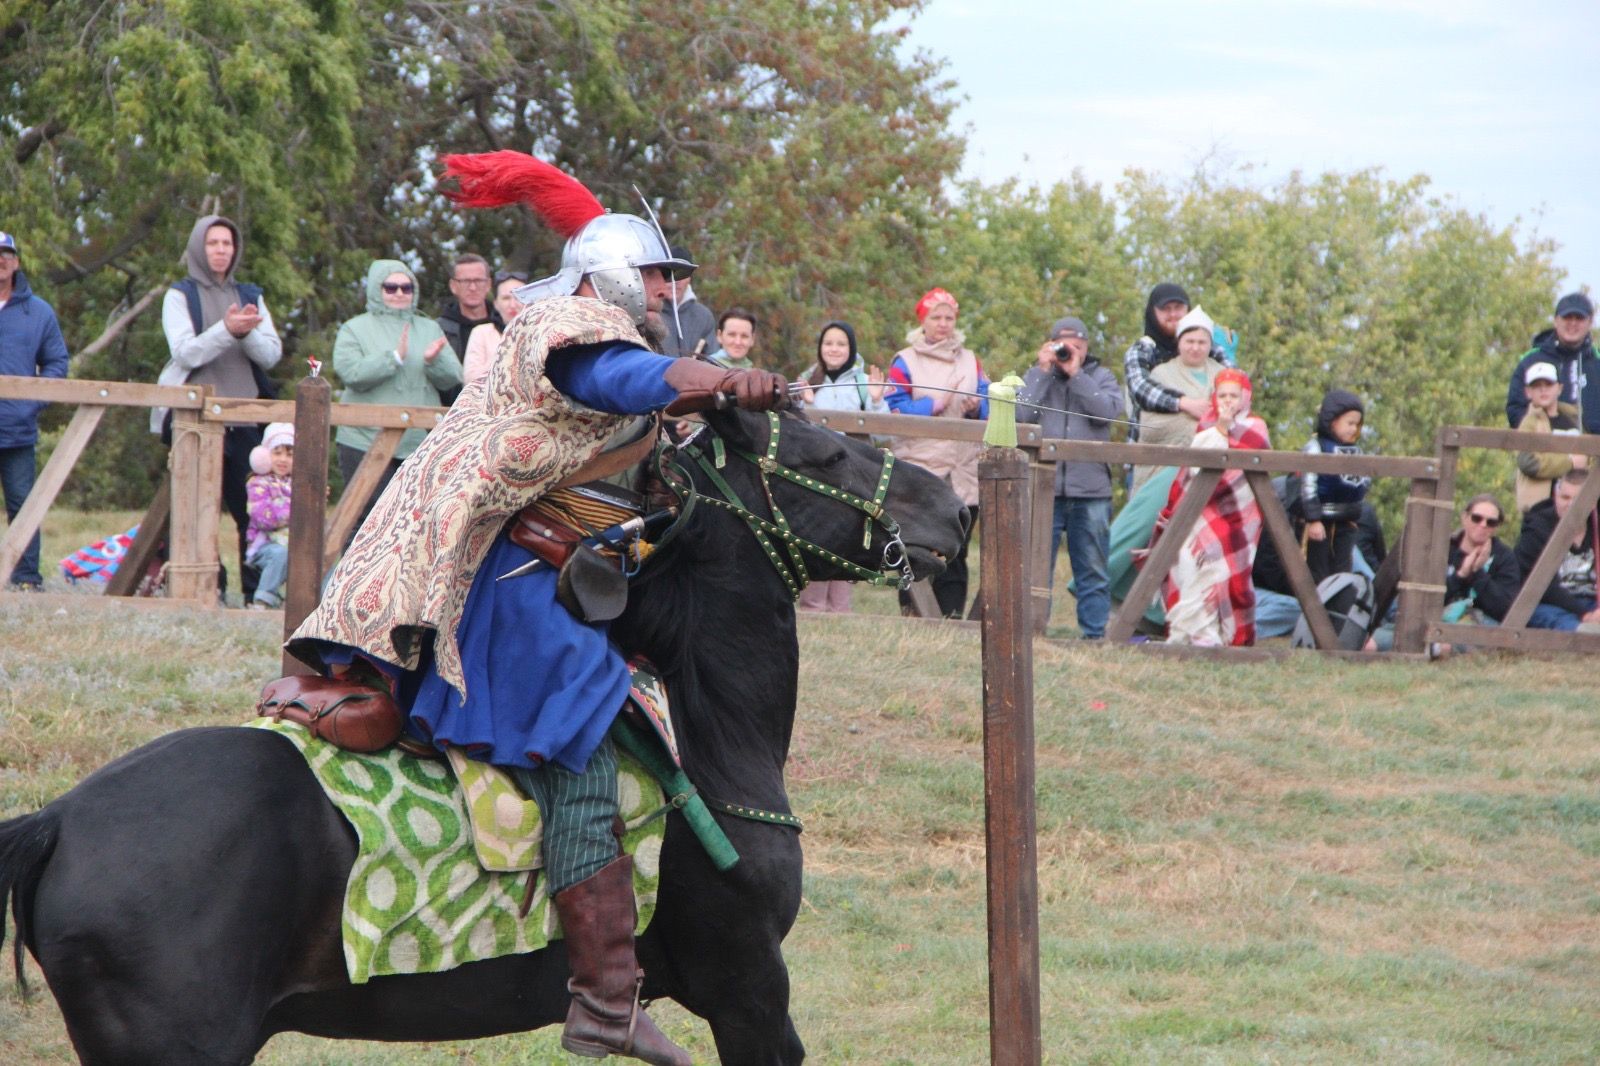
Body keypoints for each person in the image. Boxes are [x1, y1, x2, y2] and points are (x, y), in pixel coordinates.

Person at [290, 150, 790, 1066]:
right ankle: (604, 997)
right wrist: (714, 380)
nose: (663, 290)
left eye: (668, 277)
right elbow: (620, 381)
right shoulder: (570, 326)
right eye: (651, 274)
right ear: (605, 276)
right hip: (503, 583)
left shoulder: (599, 321)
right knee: (579, 741)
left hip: (520, 561)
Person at [154, 214, 283, 602]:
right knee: (194, 510)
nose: (221, 250)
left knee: (251, 511)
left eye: (227, 244)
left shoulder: (249, 295)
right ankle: (205, 591)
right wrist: (227, 330)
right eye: (213, 243)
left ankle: (254, 594)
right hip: (193, 419)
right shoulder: (179, 295)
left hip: (244, 419)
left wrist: (244, 333)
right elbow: (184, 351)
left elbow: (272, 354)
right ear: (198, 247)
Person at [331, 259, 463, 538]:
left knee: (414, 521)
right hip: (363, 439)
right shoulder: (354, 328)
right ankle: (352, 580)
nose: (400, 293)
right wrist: (393, 358)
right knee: (364, 519)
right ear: (377, 290)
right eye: (391, 287)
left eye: (407, 287)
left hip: (417, 442)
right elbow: (350, 373)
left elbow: (452, 377)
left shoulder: (429, 328)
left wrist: (433, 361)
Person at [1139, 369, 1271, 646]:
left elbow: (1251, 466)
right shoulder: (1206, 425)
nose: (1228, 401)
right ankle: (1191, 633)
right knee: (1189, 567)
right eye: (1222, 395)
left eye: (1234, 395)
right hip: (1202, 510)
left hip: (1237, 515)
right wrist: (1221, 428)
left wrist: (1227, 430)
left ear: (1245, 398)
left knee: (1225, 574)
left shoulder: (1255, 428)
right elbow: (1197, 465)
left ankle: (1223, 636)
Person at [1016, 315, 1123, 638]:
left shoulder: (1101, 376)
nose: (1069, 352)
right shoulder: (1038, 376)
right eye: (1063, 346)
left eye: (1076, 346)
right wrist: (1041, 370)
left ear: (1086, 347)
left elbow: (1106, 411)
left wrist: (1076, 374)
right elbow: (1021, 415)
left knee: (1092, 568)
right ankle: (1032, 633)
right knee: (1035, 566)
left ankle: (1093, 636)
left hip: (1090, 489)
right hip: (1042, 486)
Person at [885, 287, 989, 618]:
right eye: (936, 317)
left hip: (962, 469)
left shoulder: (972, 361)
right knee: (914, 544)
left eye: (949, 317)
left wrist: (976, 407)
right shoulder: (904, 360)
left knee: (956, 550)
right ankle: (913, 611)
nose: (943, 323)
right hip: (920, 468)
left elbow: (989, 403)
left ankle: (952, 614)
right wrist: (933, 405)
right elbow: (893, 406)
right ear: (923, 321)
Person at [794, 320, 888, 613]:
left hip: (852, 475)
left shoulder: (862, 383)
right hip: (816, 474)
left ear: (851, 349)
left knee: (847, 536)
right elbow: (793, 431)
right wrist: (806, 405)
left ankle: (840, 610)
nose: (834, 349)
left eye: (841, 344)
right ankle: (812, 606)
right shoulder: (807, 379)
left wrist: (874, 401)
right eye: (828, 343)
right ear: (820, 348)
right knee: (816, 535)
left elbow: (886, 434)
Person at [0, 230, 70, 591]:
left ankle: (27, 578)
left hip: (17, 429)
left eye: (6, 253)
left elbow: (57, 363)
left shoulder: (38, 311)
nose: (0, 259)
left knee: (23, 504)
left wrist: (32, 402)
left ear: (16, 262)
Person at [1130, 305, 1225, 492]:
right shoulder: (1161, 374)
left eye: (1202, 342)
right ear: (1179, 342)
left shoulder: (1224, 374)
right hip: (1163, 471)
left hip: (1213, 472)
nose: (1195, 348)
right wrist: (1193, 414)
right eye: (1189, 341)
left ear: (1210, 344)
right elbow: (1149, 426)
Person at [1124, 283, 1226, 442]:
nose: (1173, 314)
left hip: (1207, 446)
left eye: (1178, 307)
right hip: (1151, 448)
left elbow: (1234, 383)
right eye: (1165, 309)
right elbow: (1140, 388)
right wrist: (1182, 403)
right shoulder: (1142, 350)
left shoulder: (1210, 348)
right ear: (1153, 312)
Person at [1299, 388, 1371, 584]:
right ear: (1332, 421)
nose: (1353, 429)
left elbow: (1363, 482)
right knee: (1319, 572)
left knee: (1343, 571)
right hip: (1321, 520)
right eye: (1349, 423)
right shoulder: (1317, 447)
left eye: (1357, 425)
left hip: (1346, 522)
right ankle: (1318, 611)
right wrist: (1313, 519)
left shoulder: (1357, 451)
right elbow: (1308, 486)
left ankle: (1338, 610)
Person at [1515, 468, 1600, 632]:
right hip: (1552, 603)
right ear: (1555, 496)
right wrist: (1584, 614)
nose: (1569, 504)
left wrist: (1595, 613)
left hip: (1593, 601)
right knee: (1539, 613)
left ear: (1592, 503)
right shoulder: (1536, 529)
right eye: (1565, 497)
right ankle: (1582, 633)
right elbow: (1541, 587)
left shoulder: (1596, 526)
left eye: (1577, 499)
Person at [1507, 292, 1600, 435]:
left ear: (1590, 322)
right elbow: (1515, 409)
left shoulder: (1597, 362)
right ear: (1556, 321)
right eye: (1567, 317)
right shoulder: (1531, 360)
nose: (1573, 323)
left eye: (1579, 318)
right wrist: (1537, 429)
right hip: (1541, 449)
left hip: (1594, 450)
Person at [1514, 360, 1584, 513]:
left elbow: (1589, 458)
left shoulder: (1575, 418)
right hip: (1541, 507)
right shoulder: (1529, 423)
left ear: (1559, 388)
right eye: (1537, 386)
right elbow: (1528, 463)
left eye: (1548, 385)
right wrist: (1570, 462)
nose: (1543, 390)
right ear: (1528, 392)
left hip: (1577, 503)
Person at [244, 422, 294, 610]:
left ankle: (321, 603)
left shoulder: (299, 483)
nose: (283, 459)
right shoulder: (257, 483)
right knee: (280, 555)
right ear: (264, 455)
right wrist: (297, 510)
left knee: (320, 558)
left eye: (290, 454)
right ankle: (263, 600)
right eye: (277, 453)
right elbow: (264, 518)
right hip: (265, 545)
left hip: (293, 543)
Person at [462, 270, 530, 389]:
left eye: (519, 297)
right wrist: (504, 352)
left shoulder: (539, 333)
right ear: (496, 304)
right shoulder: (481, 332)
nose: (512, 304)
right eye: (506, 298)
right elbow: (469, 381)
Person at [657, 244, 717, 358]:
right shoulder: (648, 312)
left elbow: (712, 358)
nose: (675, 281)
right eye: (671, 274)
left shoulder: (704, 316)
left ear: (690, 278)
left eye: (682, 275)